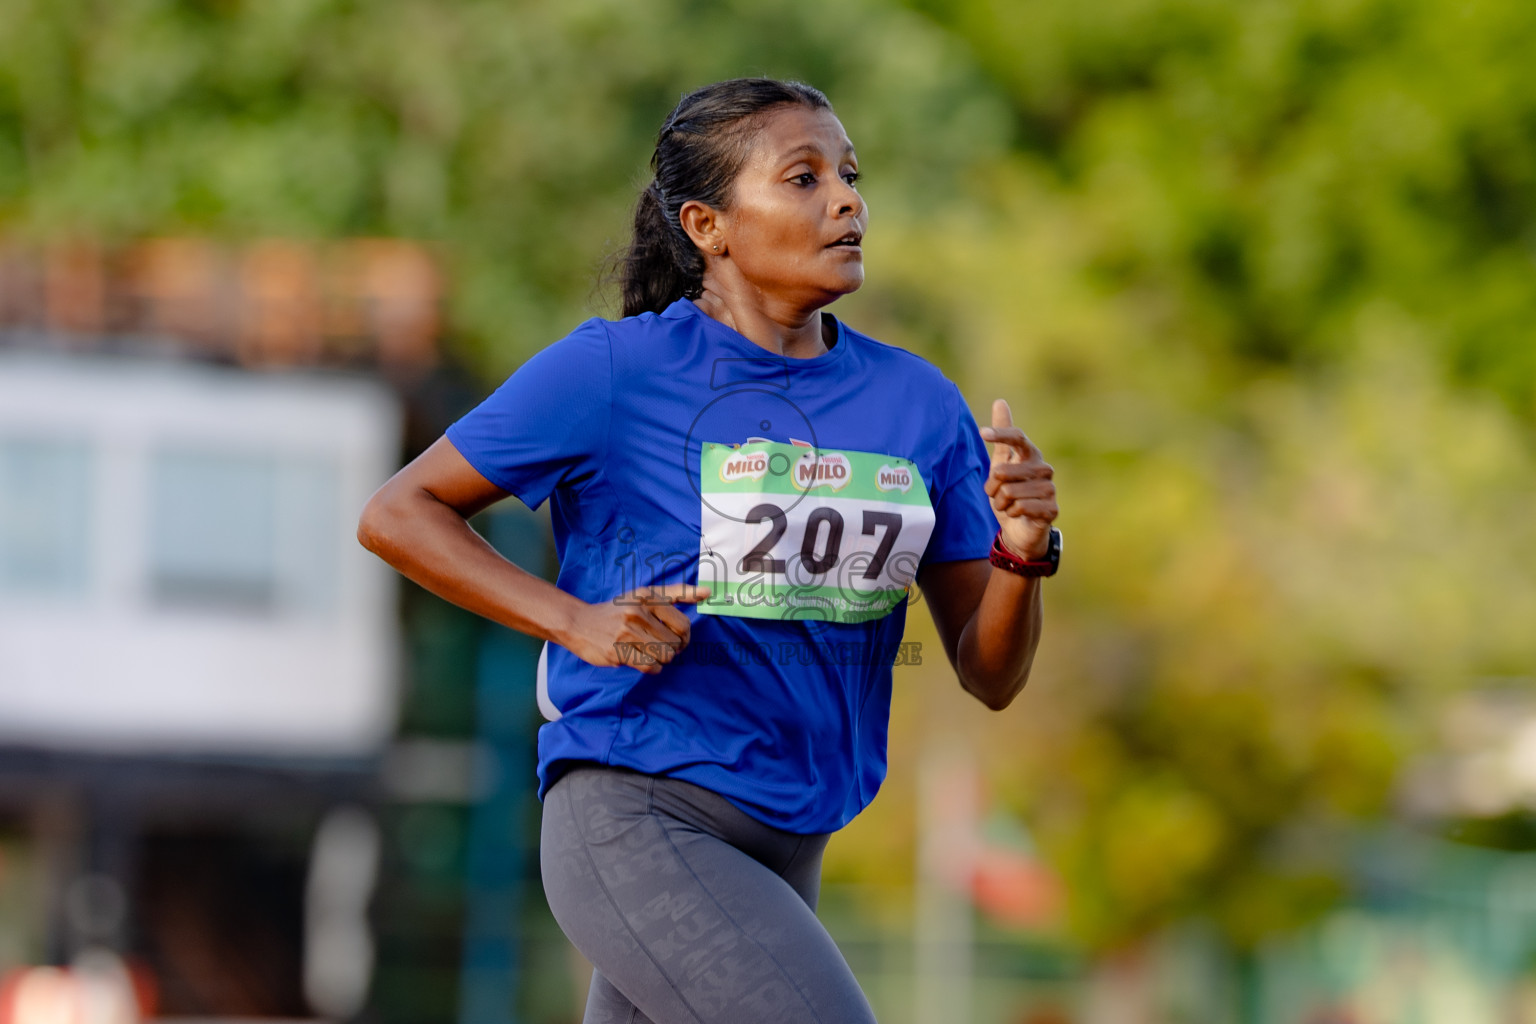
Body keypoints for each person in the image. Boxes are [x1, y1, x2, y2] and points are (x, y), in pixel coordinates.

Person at [358, 78, 1061, 1024]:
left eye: (849, 176)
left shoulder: (919, 404)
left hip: (793, 836)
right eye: (804, 178)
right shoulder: (614, 371)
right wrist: (574, 622)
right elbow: (401, 512)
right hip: (639, 812)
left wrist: (1022, 552)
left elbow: (990, 670)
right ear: (707, 225)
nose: (847, 200)